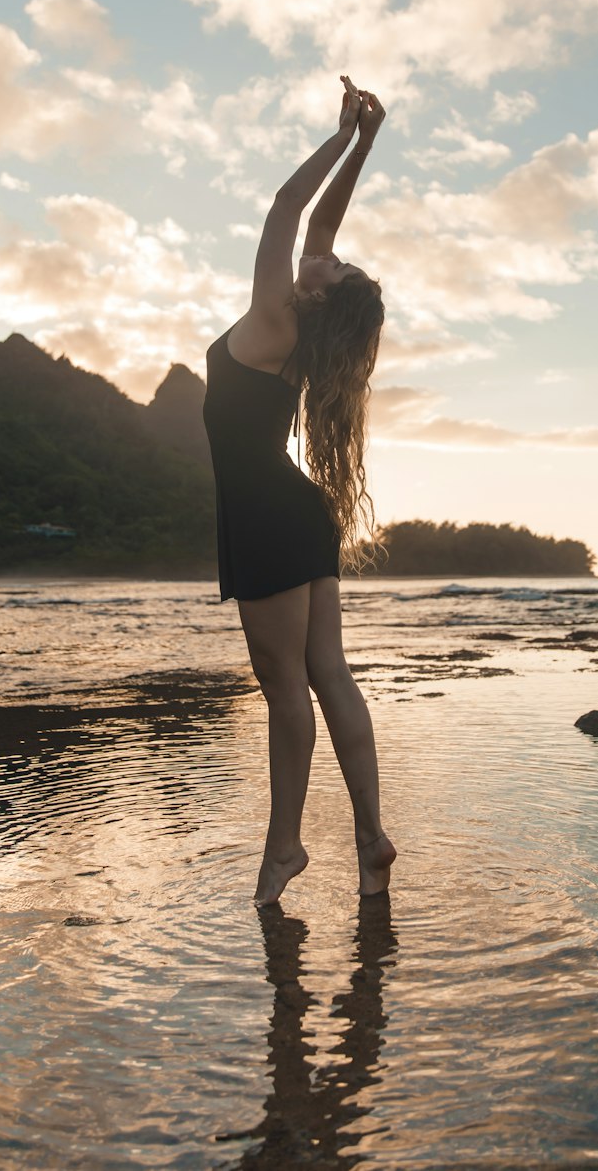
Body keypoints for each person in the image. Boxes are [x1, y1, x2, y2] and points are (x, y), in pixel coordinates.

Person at [202, 75, 397, 907]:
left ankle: (285, 849)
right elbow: (318, 222)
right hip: (294, 511)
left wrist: (335, 133)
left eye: (337, 262)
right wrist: (364, 143)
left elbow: (290, 206)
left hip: (270, 517)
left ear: (320, 292)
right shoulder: (301, 322)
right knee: (330, 675)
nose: (331, 246)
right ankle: (370, 838)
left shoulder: (278, 318)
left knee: (287, 686)